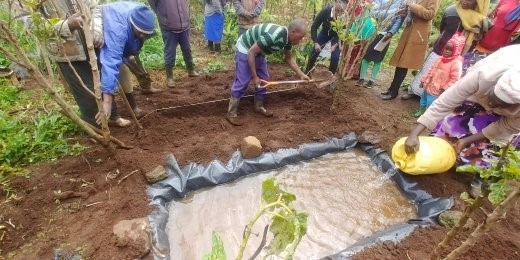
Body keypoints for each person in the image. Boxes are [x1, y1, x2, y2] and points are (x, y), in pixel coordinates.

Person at [404, 45, 520, 172]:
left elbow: (505, 127)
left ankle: (476, 176)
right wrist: (415, 133)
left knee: (491, 148)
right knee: (452, 128)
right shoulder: (483, 76)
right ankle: (438, 155)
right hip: (480, 92)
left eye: (500, 104)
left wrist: (467, 140)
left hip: (511, 118)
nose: (492, 107)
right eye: (494, 100)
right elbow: (446, 101)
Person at [40, 0, 132, 127]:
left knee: (105, 82)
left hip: (94, 45)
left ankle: (113, 116)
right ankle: (93, 126)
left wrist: (97, 29)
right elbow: (33, 26)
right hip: (67, 52)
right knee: (85, 91)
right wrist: (66, 25)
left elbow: (96, 9)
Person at [225, 19, 310, 126]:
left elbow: (289, 59)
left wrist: (301, 74)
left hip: (259, 51)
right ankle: (231, 113)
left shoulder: (288, 39)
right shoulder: (274, 36)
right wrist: (255, 76)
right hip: (246, 48)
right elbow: (251, 52)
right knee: (242, 82)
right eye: (301, 37)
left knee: (264, 78)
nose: (301, 40)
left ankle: (258, 106)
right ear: (293, 32)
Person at [401, 0, 489, 100]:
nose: (464, 1)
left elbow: (477, 39)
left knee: (445, 76)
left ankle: (434, 97)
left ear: (478, 3)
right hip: (441, 47)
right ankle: (415, 91)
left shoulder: (480, 20)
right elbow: (443, 28)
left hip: (459, 55)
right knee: (429, 70)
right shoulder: (451, 10)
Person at [96, 2, 157, 123]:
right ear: (131, 23)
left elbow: (137, 38)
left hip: (118, 34)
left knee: (123, 71)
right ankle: (110, 113)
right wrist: (107, 102)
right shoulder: (118, 29)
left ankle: (132, 108)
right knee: (106, 72)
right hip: (96, 32)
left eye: (145, 33)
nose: (142, 35)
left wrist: (130, 52)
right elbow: (111, 62)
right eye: (139, 32)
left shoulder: (142, 13)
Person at [381, 0, 439, 100]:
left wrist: (412, 6)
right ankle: (391, 89)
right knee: (400, 63)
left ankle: (394, 92)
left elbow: (430, 14)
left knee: (404, 64)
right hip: (410, 31)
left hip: (418, 34)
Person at [148, 0, 199, 89]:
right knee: (170, 52)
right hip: (169, 27)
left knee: (187, 49)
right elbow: (153, 4)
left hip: (184, 25)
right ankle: (170, 77)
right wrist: (164, 17)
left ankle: (191, 70)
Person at [462, 0, 520, 75]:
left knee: (481, 78)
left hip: (498, 55)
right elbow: (493, 16)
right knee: (467, 73)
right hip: (483, 44)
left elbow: (515, 36)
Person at [414, 35, 464, 118]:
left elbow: (455, 79)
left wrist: (445, 88)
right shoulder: (440, 58)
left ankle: (427, 116)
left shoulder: (456, 63)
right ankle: (421, 110)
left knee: (431, 103)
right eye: (446, 48)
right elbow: (431, 70)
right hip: (428, 85)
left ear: (456, 51)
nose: (447, 51)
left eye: (450, 50)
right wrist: (423, 80)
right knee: (423, 100)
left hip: (438, 90)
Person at [356, 6, 406, 88]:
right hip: (373, 34)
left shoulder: (400, 17)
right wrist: (395, 11)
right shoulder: (390, 8)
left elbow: (397, 24)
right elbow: (375, 12)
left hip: (385, 37)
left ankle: (371, 81)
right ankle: (361, 79)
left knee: (378, 60)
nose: (403, 11)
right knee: (366, 58)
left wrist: (390, 33)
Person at [304, 0, 347, 75]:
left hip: (337, 36)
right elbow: (314, 27)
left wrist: (335, 45)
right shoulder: (325, 11)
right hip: (325, 32)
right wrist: (316, 42)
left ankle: (330, 77)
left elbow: (343, 33)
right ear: (334, 7)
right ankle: (307, 73)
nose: (339, 14)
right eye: (337, 11)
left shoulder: (345, 16)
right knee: (314, 52)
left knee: (335, 57)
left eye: (341, 12)